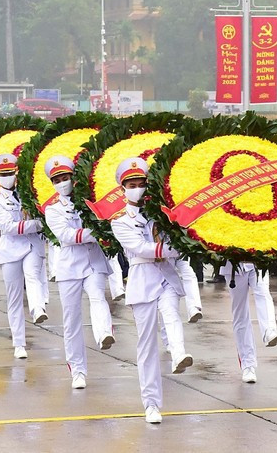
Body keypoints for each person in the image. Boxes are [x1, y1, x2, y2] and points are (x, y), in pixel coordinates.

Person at [110, 157, 193, 424]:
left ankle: (179, 353)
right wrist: (170, 249)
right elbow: (140, 248)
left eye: (141, 183)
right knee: (146, 344)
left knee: (171, 313)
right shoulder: (120, 220)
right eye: (132, 184)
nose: (138, 188)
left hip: (166, 274)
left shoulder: (161, 212)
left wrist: (181, 242)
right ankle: (151, 404)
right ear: (123, 188)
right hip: (142, 278)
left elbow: (176, 236)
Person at [43, 156, 116, 390]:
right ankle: (78, 370)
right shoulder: (52, 209)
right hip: (70, 267)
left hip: (93, 260)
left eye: (66, 177)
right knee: (71, 320)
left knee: (97, 295)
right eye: (58, 180)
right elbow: (65, 236)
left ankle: (104, 333)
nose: (63, 182)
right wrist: (95, 233)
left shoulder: (90, 202)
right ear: (52, 183)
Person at [0, 153, 47, 359]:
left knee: (32, 276)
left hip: (31, 245)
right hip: (11, 250)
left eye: (10, 173)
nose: (7, 177)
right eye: (3, 174)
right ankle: (19, 343)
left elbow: (42, 214)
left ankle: (38, 308)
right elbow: (7, 227)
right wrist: (36, 224)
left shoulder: (29, 194)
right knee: (13, 298)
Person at [220, 261, 277, 384]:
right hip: (234, 265)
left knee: (263, 293)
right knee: (240, 313)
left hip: (258, 260)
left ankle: (269, 331)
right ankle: (248, 365)